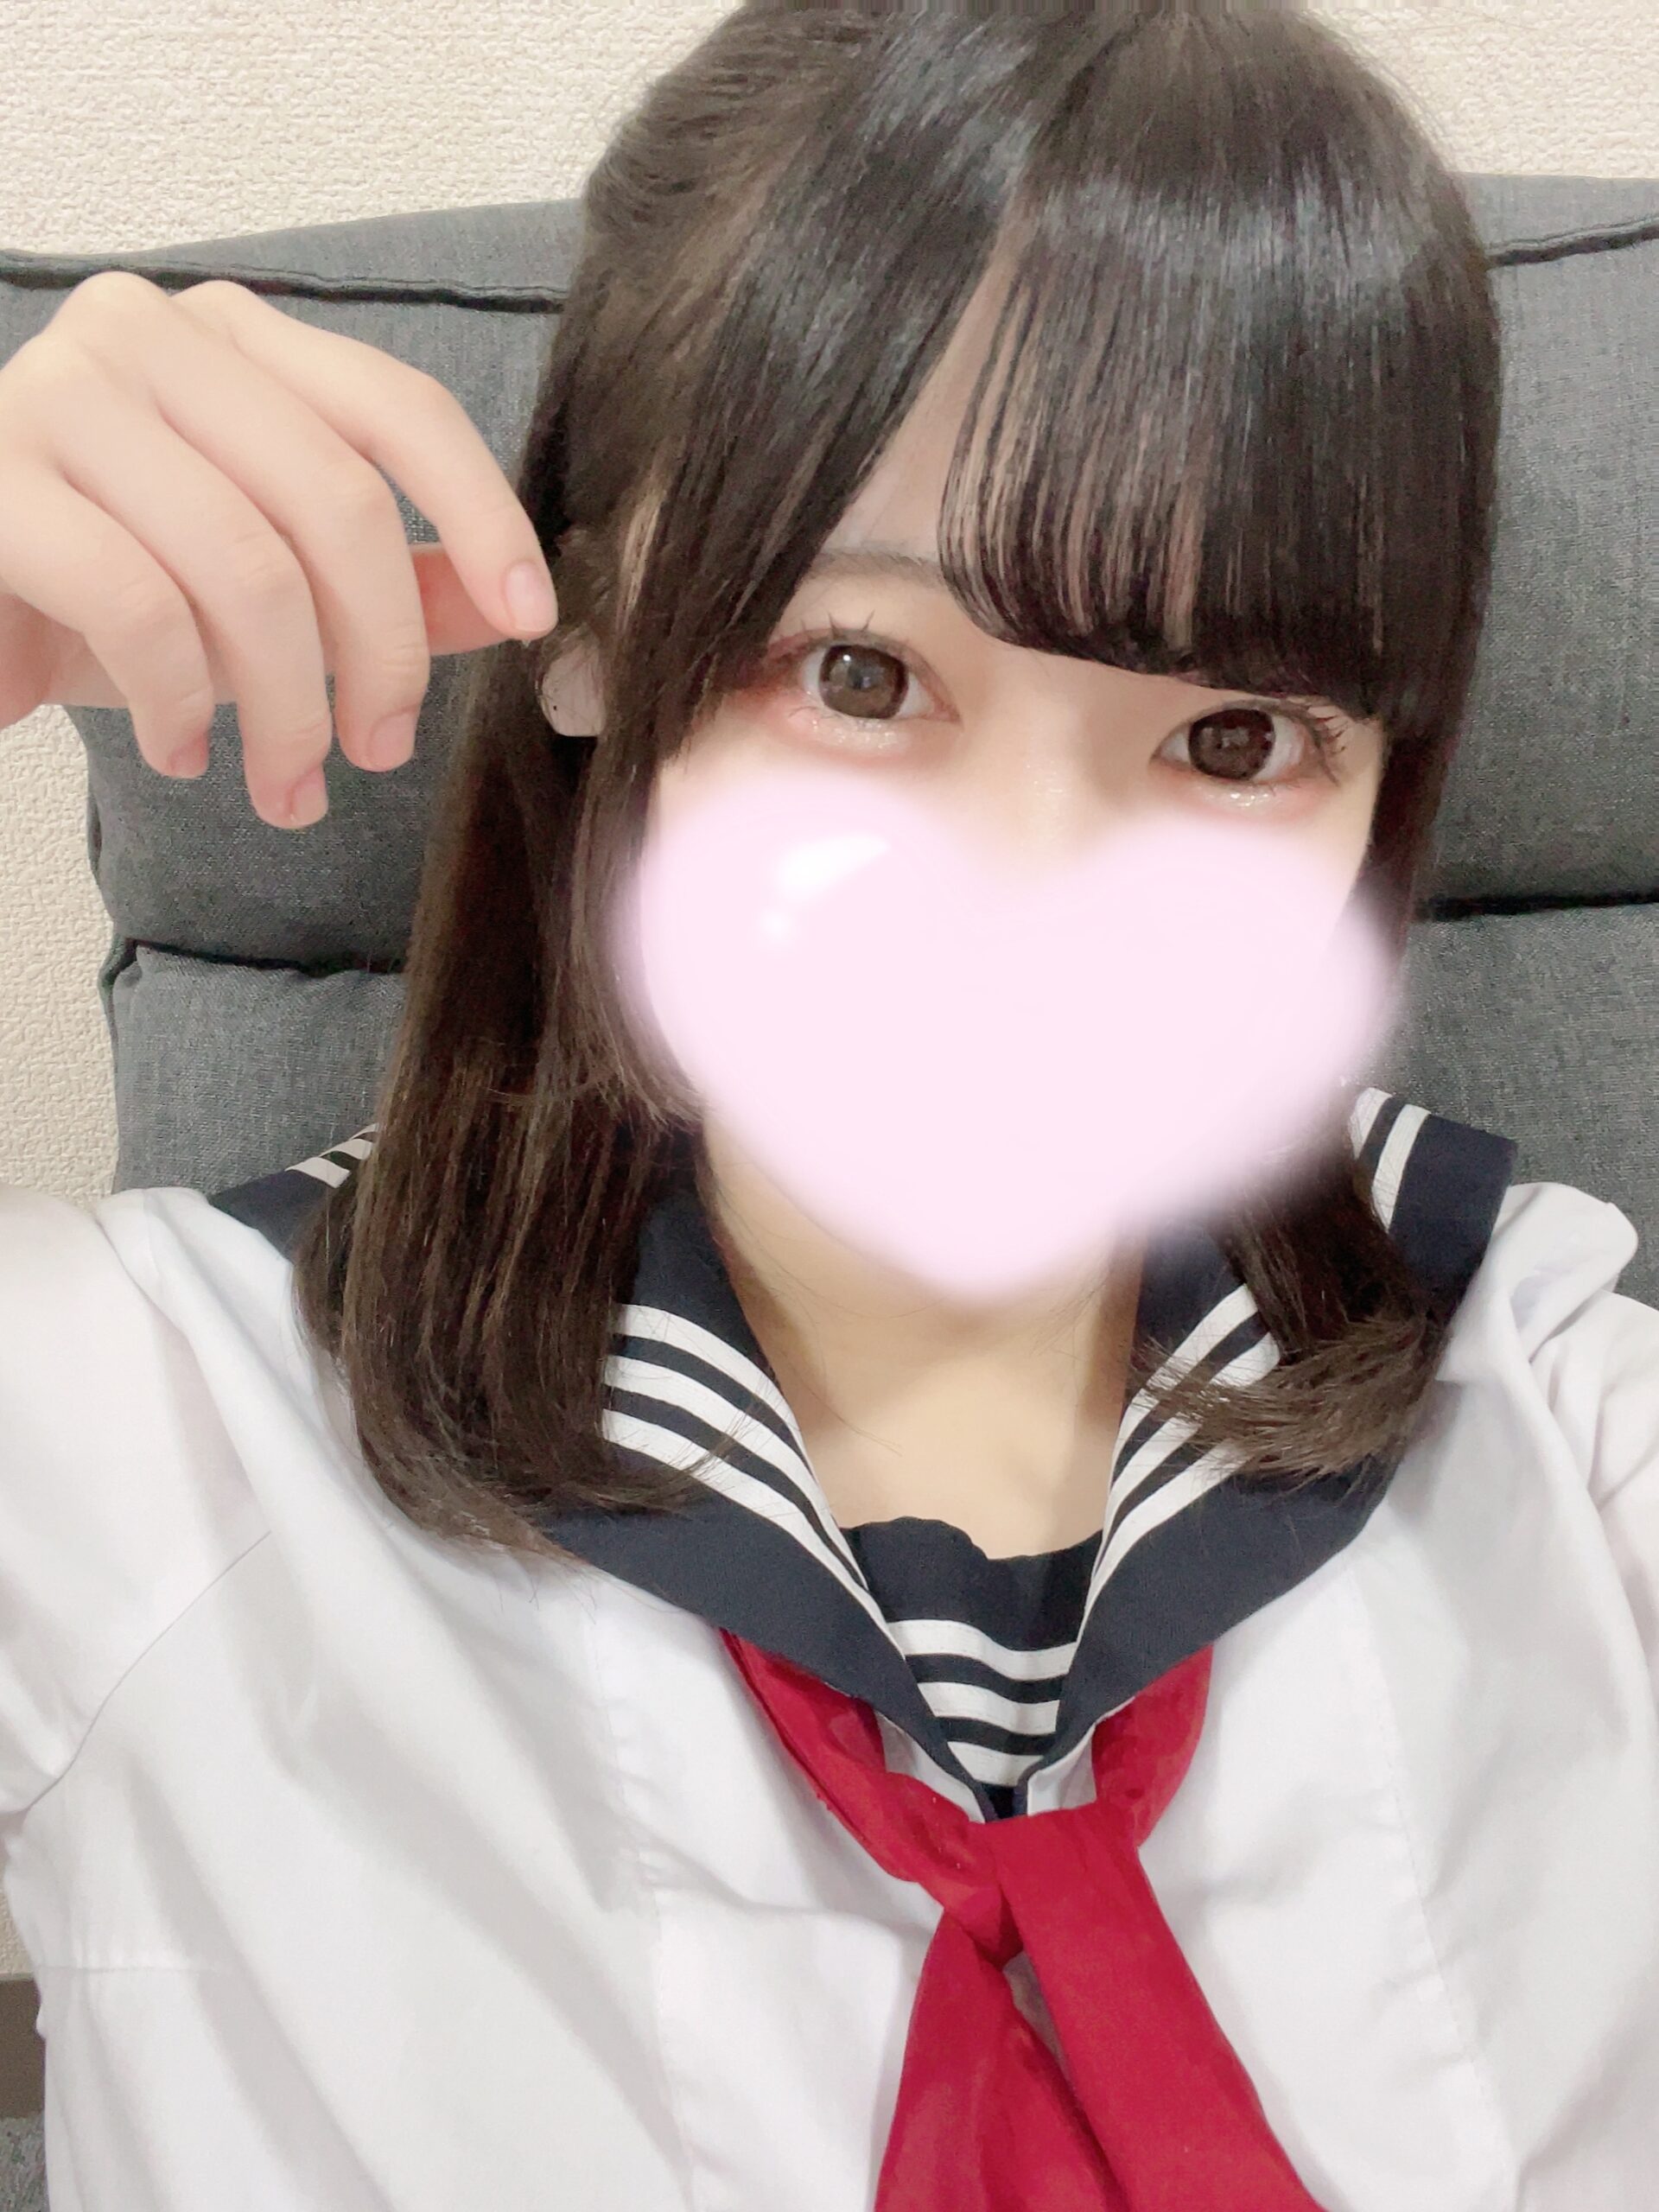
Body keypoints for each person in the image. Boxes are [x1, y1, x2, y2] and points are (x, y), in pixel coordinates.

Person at [1, 3, 1656, 2206]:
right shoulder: (133, 1426)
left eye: (1237, 739)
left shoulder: (1554, 1405)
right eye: (863, 675)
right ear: (591, 639)